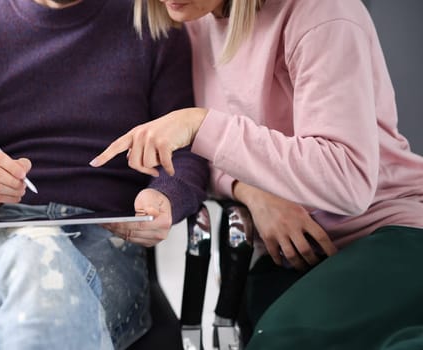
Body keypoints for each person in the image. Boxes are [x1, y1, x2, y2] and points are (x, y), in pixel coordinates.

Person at [90, 0, 423, 348]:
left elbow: (349, 180)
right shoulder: (195, 19)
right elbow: (214, 157)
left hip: (387, 232)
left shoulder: (322, 11)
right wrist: (250, 191)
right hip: (296, 254)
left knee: (283, 339)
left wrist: (199, 123)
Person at [0, 0, 209, 348]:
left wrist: (164, 196)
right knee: (40, 267)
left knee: (50, 302)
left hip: (107, 240)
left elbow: (184, 154)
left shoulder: (154, 25)